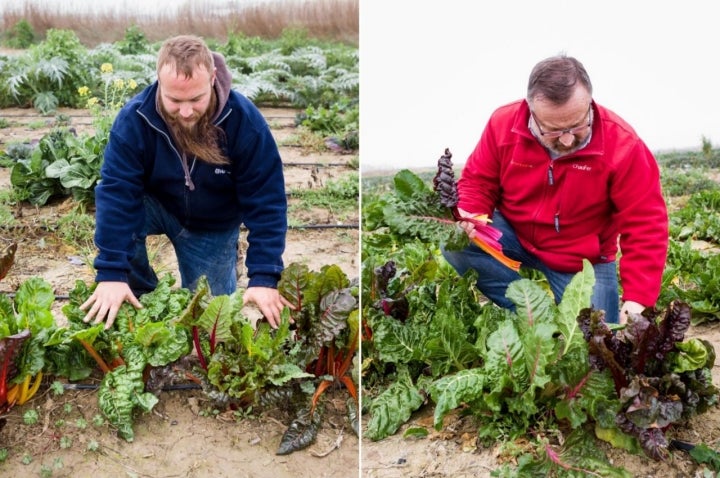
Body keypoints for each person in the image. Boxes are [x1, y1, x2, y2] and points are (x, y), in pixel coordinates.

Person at [81, 35, 292, 329]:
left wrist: (265, 276)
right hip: (157, 205)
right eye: (175, 100)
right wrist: (111, 273)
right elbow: (117, 193)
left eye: (196, 99)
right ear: (159, 81)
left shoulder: (244, 121)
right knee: (124, 214)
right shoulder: (135, 119)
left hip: (212, 224)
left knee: (210, 320)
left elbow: (267, 199)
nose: (186, 111)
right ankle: (140, 291)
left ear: (213, 78)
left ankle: (229, 260)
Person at [442, 54, 668, 324]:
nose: (567, 138)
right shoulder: (503, 124)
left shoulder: (623, 145)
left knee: (595, 339)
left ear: (590, 104)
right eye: (553, 130)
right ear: (531, 111)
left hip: (582, 260)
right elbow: (478, 182)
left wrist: (638, 299)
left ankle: (561, 320)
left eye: (578, 125)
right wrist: (469, 214)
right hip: (516, 236)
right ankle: (532, 316)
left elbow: (645, 223)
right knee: (454, 241)